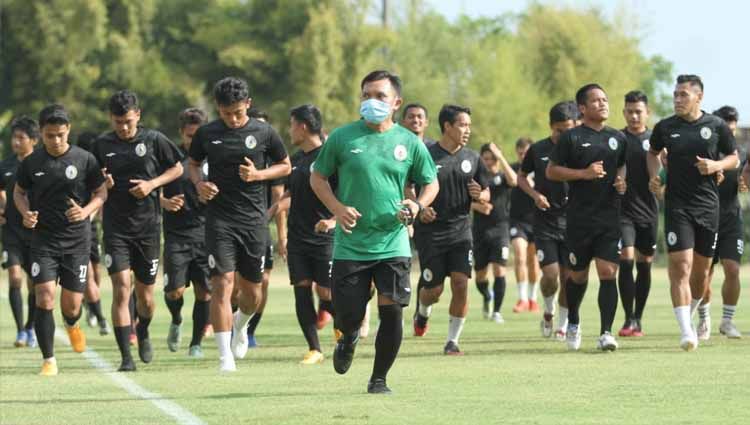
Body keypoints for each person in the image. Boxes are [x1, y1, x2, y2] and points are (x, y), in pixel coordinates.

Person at [310, 70, 438, 394]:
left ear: (396, 102)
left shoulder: (409, 142)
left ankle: (379, 378)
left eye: (379, 96)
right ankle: (348, 337)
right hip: (351, 244)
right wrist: (337, 208)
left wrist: (417, 206)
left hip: (393, 241)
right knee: (347, 315)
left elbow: (430, 182)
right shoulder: (342, 138)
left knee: (392, 309)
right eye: (366, 95)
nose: (371, 102)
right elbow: (318, 178)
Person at [188, 77, 291, 372]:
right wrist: (199, 184)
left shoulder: (264, 132)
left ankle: (241, 324)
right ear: (218, 109)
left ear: (247, 104)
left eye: (237, 112)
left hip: (253, 221)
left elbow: (285, 166)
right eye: (225, 113)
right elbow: (193, 164)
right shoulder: (207, 133)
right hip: (219, 220)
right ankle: (224, 357)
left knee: (252, 294)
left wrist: (259, 175)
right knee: (221, 284)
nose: (232, 119)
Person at [93, 90, 184, 371]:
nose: (123, 127)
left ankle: (142, 329)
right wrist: (102, 185)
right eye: (118, 122)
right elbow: (91, 182)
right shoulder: (100, 145)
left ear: (138, 116)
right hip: (115, 228)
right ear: (111, 118)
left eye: (128, 122)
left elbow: (178, 168)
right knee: (121, 290)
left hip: (147, 228)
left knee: (145, 297)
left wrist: (152, 185)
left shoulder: (155, 140)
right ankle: (126, 358)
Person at [14, 104, 107, 375]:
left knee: (72, 305)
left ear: (69, 131)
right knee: (44, 297)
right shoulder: (32, 162)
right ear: (41, 134)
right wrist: (25, 213)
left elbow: (101, 192)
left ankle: (72, 323)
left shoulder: (85, 159)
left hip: (77, 241)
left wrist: (87, 211)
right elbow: (20, 193)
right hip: (43, 240)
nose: (56, 141)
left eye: (61, 135)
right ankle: (49, 360)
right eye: (50, 135)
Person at [647, 75, 738, 351]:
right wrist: (655, 177)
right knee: (681, 267)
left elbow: (733, 158)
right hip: (677, 207)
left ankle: (691, 311)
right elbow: (652, 153)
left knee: (700, 275)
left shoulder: (716, 126)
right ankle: (686, 331)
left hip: (709, 208)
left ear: (699, 96)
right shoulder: (665, 128)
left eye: (683, 95)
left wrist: (714, 165)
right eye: (675, 95)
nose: (677, 99)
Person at [547, 83, 628, 351]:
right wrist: (583, 174)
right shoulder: (570, 137)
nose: (603, 104)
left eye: (605, 99)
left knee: (607, 272)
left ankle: (606, 333)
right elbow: (552, 171)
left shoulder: (618, 137)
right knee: (578, 276)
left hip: (609, 218)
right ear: (582, 108)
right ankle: (573, 320)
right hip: (579, 219)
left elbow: (622, 167)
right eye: (596, 101)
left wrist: (621, 182)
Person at [412, 104, 490, 355]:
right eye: (462, 125)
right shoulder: (425, 154)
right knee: (433, 291)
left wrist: (481, 194)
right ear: (447, 126)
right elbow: (407, 186)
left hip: (460, 231)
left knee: (460, 283)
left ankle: (452, 341)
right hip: (430, 232)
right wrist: (420, 208)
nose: (468, 130)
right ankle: (422, 313)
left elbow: (486, 191)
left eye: (469, 125)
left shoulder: (473, 158)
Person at [270, 104, 337, 364]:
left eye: (291, 124)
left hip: (326, 238)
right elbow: (290, 195)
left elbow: (346, 197)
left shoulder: (331, 158)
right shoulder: (296, 160)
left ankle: (345, 326)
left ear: (303, 126)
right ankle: (315, 348)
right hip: (299, 238)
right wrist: (273, 209)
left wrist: (332, 221)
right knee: (301, 289)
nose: (289, 131)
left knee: (328, 293)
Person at [517, 102, 577, 340]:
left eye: (568, 130)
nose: (564, 135)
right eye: (559, 130)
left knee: (569, 277)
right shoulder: (538, 150)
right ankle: (549, 309)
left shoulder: (579, 148)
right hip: (545, 223)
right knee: (551, 275)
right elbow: (522, 178)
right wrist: (535, 195)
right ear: (551, 127)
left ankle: (563, 325)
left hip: (573, 222)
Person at [160, 108, 212, 357]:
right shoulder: (168, 159)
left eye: (198, 135)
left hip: (205, 235)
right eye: (190, 135)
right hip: (176, 236)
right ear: (182, 133)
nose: (194, 141)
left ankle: (196, 344)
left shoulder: (214, 159)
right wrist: (164, 202)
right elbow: (151, 189)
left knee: (205, 291)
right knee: (174, 292)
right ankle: (177, 318)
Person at [697, 106, 745, 340]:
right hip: (706, 216)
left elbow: (745, 178)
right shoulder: (707, 148)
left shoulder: (741, 153)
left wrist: (745, 184)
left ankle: (727, 320)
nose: (729, 129)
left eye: (733, 125)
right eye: (726, 125)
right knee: (705, 272)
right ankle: (704, 318)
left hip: (731, 218)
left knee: (733, 269)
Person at [617, 91, 657, 337]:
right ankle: (628, 318)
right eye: (630, 111)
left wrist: (661, 183)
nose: (634, 116)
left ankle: (638, 319)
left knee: (644, 266)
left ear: (647, 113)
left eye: (638, 111)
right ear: (624, 112)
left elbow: (666, 169)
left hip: (649, 212)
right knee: (626, 258)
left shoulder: (655, 141)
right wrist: (615, 181)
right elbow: (610, 167)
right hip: (623, 212)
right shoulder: (616, 138)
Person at [1, 116, 39, 348]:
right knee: (15, 278)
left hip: (36, 233)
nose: (16, 142)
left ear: (33, 140)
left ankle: (31, 326)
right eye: (14, 138)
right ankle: (20, 332)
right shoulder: (5, 165)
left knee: (35, 283)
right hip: (11, 232)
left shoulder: (41, 164)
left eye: (21, 138)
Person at [472, 142, 516, 323]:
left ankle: (497, 311)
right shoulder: (476, 179)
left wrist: (501, 157)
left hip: (501, 230)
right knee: (480, 275)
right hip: (480, 231)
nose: (489, 162)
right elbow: (461, 200)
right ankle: (487, 295)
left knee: (499, 270)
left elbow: (514, 180)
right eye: (486, 158)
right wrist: (477, 206)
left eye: (492, 158)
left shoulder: (503, 176)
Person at [76, 131, 110, 336]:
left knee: (96, 273)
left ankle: (91, 305)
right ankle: (101, 318)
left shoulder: (98, 169)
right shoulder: (76, 167)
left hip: (92, 227)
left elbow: (102, 195)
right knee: (87, 275)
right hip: (78, 228)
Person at [508, 137, 541, 314]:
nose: (523, 155)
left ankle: (533, 299)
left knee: (533, 261)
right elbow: (512, 181)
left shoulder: (539, 169)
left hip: (536, 221)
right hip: (517, 221)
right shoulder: (512, 170)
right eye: (520, 152)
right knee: (520, 257)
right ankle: (521, 298)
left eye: (526, 152)